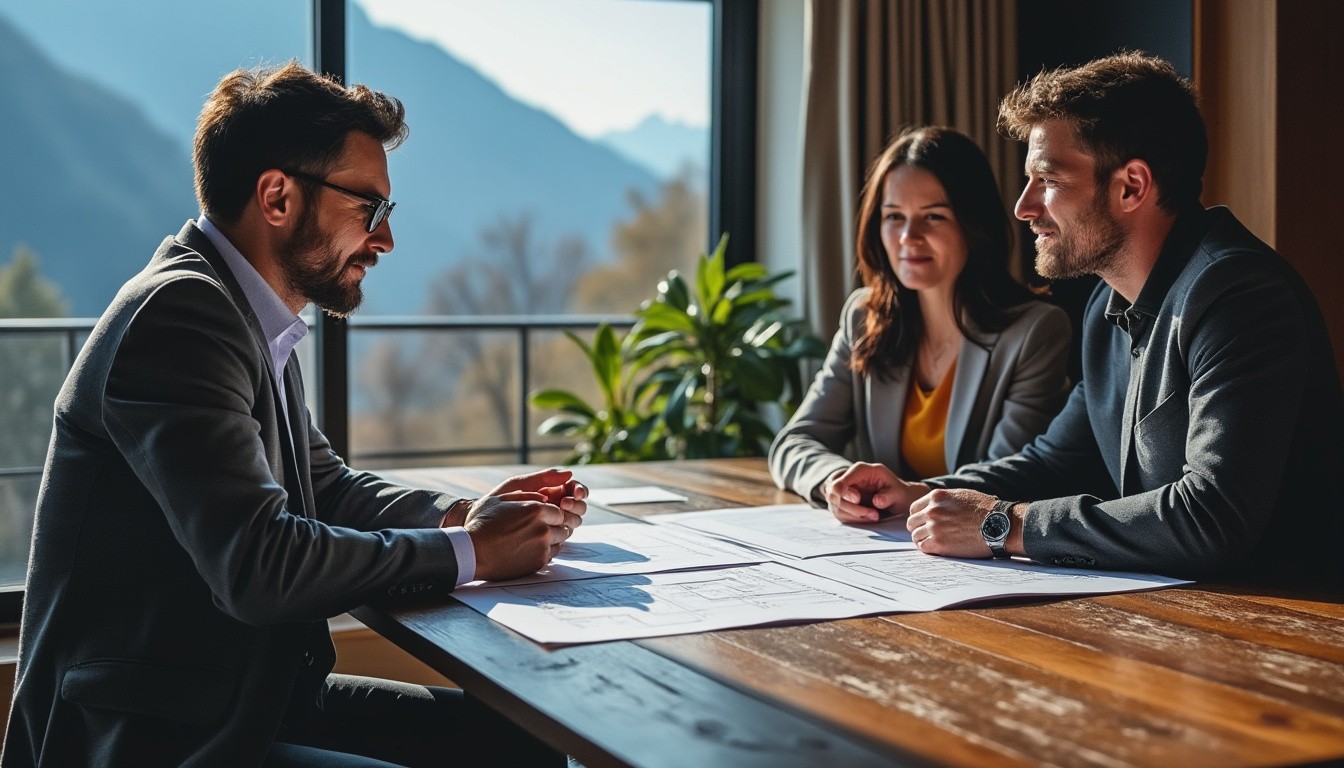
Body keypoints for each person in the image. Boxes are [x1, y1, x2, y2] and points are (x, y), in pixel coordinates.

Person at [2, 62, 585, 767]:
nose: (384, 240)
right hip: (153, 736)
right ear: (277, 197)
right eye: (368, 209)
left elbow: (327, 488)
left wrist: (464, 517)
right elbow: (261, 566)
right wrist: (476, 553)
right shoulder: (181, 316)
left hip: (245, 700)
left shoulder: (243, 312)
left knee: (523, 743)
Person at [830, 53, 1344, 589]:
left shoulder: (1239, 295)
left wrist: (1003, 524)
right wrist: (921, 492)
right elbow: (1055, 461)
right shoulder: (1106, 306)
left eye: (1047, 179)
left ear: (1131, 186)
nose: (1024, 207)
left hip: (1281, 616)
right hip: (1172, 608)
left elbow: (1211, 519)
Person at [770, 126, 1072, 513]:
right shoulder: (864, 318)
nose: (908, 237)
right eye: (894, 216)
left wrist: (910, 494)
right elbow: (794, 442)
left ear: (974, 224)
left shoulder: (1034, 331)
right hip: (878, 540)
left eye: (933, 216)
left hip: (973, 542)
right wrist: (838, 483)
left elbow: (1009, 477)